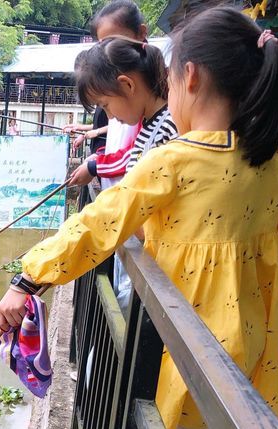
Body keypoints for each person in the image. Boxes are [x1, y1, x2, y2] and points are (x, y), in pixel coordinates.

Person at [0, 7, 278, 429]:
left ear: (189, 77)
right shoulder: (269, 159)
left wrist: (27, 277)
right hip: (252, 335)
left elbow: (99, 225)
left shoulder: (175, 160)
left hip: (186, 336)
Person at [73, 36, 178, 313]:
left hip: (161, 271)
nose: (110, 116)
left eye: (106, 105)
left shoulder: (167, 130)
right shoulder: (149, 126)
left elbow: (134, 209)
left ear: (127, 84)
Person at [62, 0, 149, 189]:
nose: (107, 54)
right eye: (102, 45)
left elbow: (138, 155)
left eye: (114, 42)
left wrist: (95, 166)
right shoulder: (116, 92)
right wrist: (99, 156)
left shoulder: (143, 102)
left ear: (142, 34)